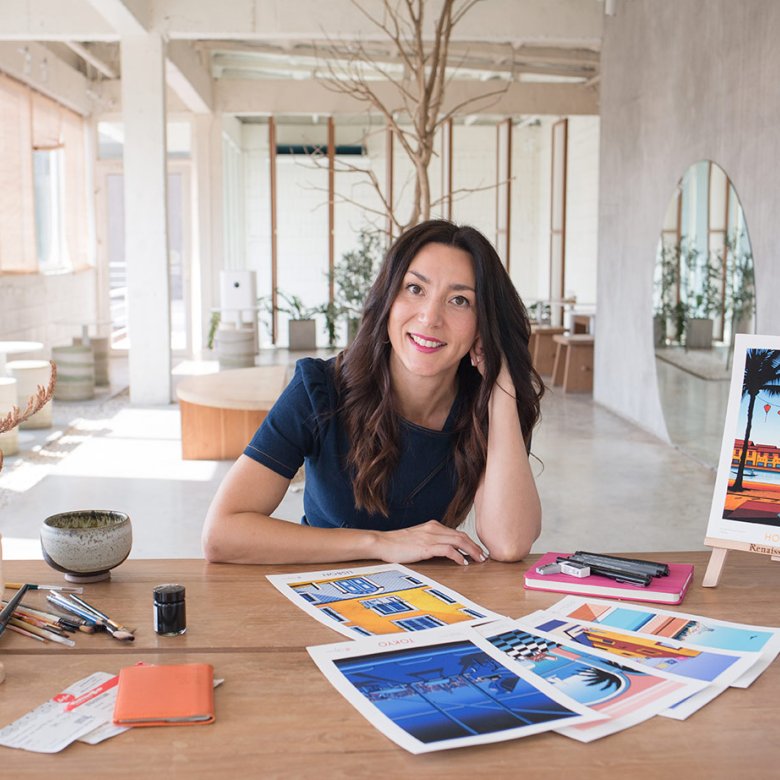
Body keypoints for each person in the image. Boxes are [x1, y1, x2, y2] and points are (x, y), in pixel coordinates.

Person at [202, 219, 544, 566]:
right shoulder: (319, 389)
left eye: (459, 300)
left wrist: (501, 382)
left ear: (484, 322)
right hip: (322, 589)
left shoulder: (490, 405)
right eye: (415, 289)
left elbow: (509, 543)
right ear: (388, 299)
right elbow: (222, 534)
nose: (429, 317)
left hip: (431, 602)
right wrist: (379, 544)